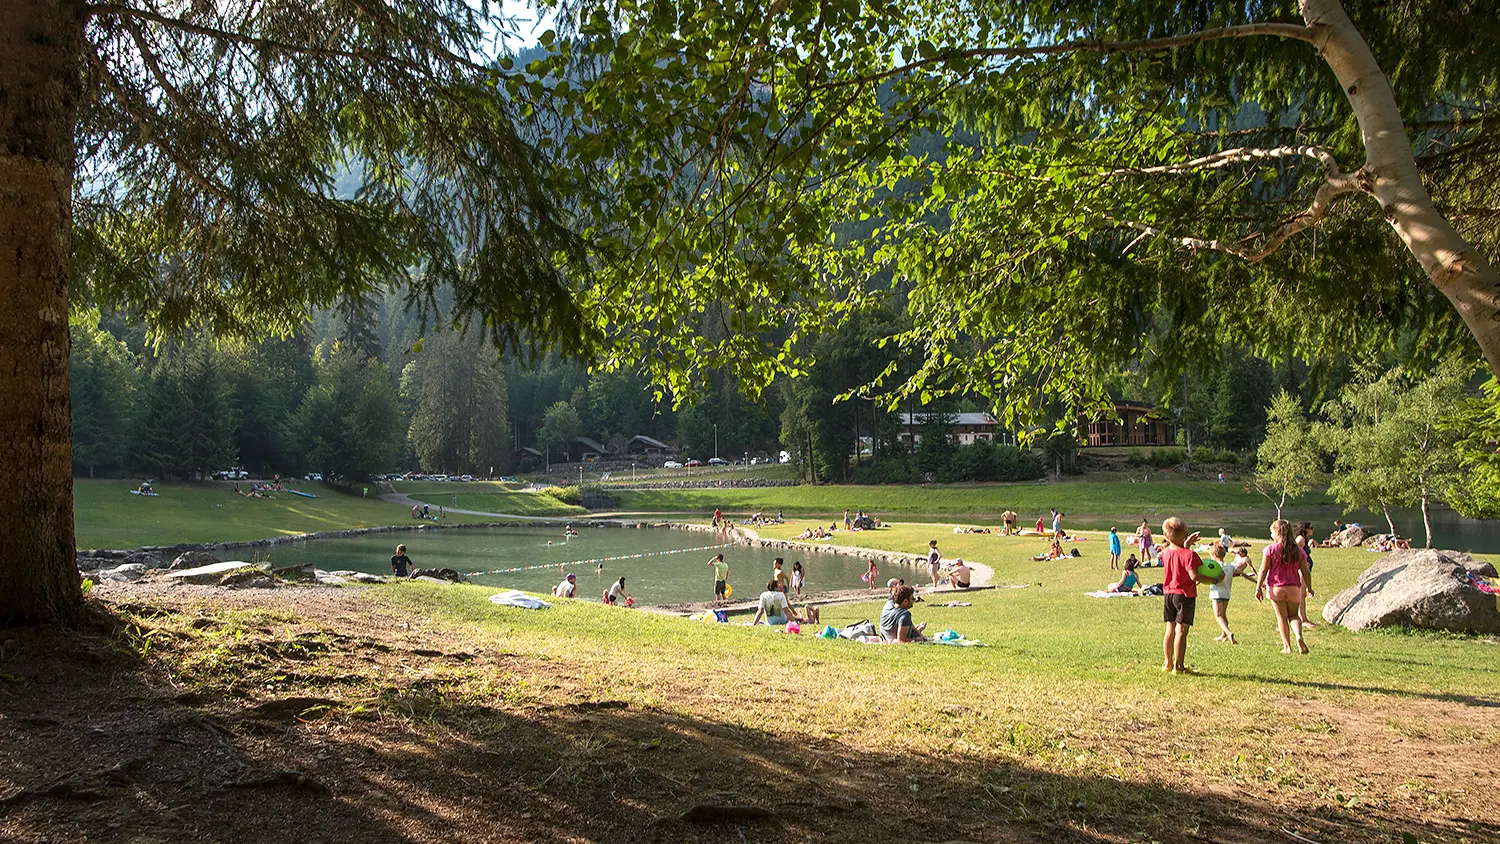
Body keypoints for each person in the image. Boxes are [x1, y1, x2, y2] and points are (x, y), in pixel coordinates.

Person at [1159, 516, 1218, 675]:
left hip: (1169, 594)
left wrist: (1186, 543)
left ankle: (1168, 663)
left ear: (1166, 536)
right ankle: (1179, 666)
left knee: (1170, 628)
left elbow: (1178, 554)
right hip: (1184, 596)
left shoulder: (1164, 553)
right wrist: (1214, 579)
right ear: (1186, 533)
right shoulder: (1190, 555)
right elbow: (1194, 576)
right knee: (1182, 631)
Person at [1257, 520, 1313, 654]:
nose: (1271, 535)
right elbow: (1305, 571)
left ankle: (1287, 647)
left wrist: (1258, 587)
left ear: (1277, 532)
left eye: (1271, 533)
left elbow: (1263, 569)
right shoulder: (1298, 550)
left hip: (1276, 587)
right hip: (1294, 587)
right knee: (1294, 615)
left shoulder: (1270, 549)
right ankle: (1298, 636)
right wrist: (1309, 588)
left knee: (1281, 617)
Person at [1210, 545, 1256, 643]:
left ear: (1213, 555)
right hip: (1226, 594)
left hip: (1216, 594)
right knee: (1223, 615)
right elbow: (1244, 574)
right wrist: (1257, 583)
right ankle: (1223, 635)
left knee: (1218, 616)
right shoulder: (1230, 566)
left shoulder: (1213, 567)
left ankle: (1228, 632)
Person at [1294, 521, 1318, 628]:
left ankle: (1304, 618)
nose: (1312, 530)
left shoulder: (1304, 539)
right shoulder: (1300, 539)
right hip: (1301, 571)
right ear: (1305, 529)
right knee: (1301, 594)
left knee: (1302, 594)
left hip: (1304, 570)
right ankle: (1302, 619)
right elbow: (1295, 554)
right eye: (1311, 528)